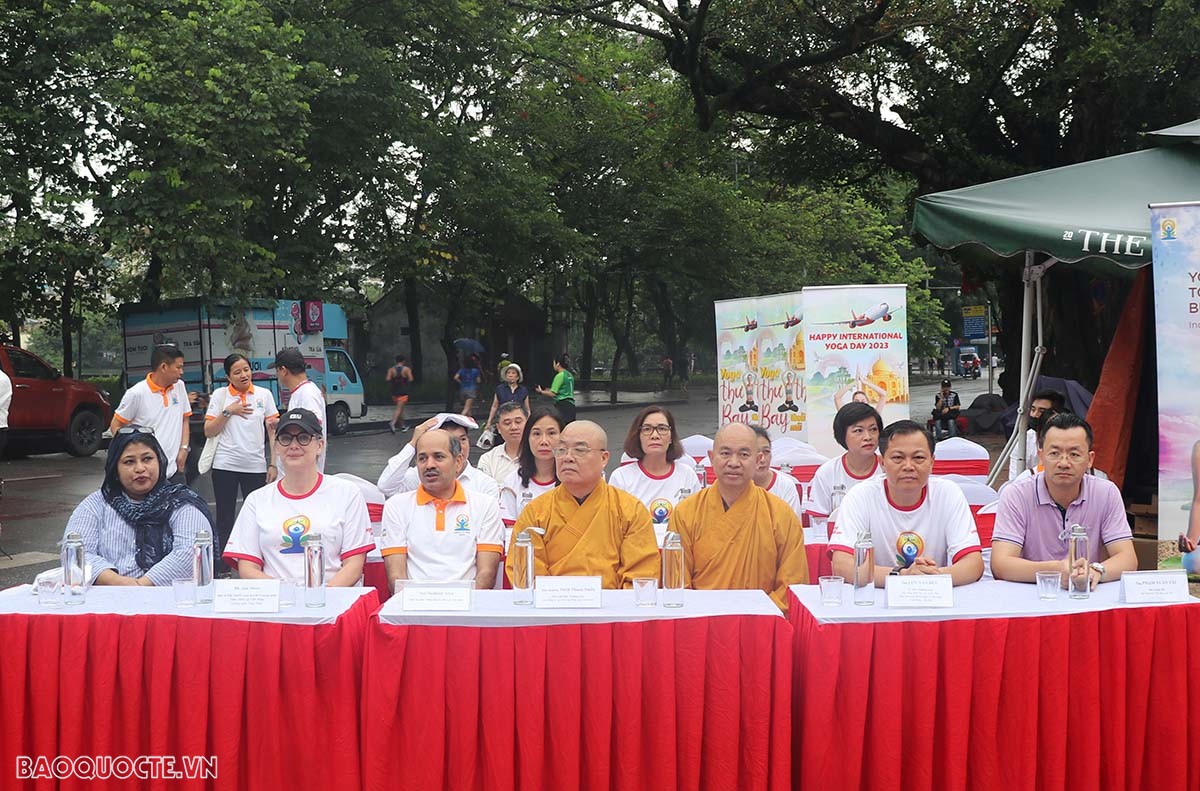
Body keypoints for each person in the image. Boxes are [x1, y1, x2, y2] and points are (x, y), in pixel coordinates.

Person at [223, 409, 373, 583]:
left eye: (303, 438)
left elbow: (354, 565)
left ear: (320, 445)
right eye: (286, 439)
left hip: (332, 601)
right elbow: (248, 567)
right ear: (277, 447)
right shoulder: (256, 500)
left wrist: (319, 598)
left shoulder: (347, 493)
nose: (294, 446)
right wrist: (287, 597)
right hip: (277, 603)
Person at [671, 423, 809, 612]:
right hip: (702, 623)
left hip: (761, 623)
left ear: (758, 460)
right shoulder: (685, 513)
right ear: (711, 458)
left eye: (744, 454)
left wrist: (756, 617)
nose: (734, 462)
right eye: (725, 453)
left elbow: (793, 586)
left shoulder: (780, 515)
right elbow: (677, 585)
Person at [506, 420, 659, 589]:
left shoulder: (630, 511)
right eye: (561, 450)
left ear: (604, 458)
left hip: (612, 611)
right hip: (550, 609)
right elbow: (524, 573)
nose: (568, 458)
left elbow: (641, 576)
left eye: (579, 450)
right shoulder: (535, 512)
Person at [829, 420, 984, 586]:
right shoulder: (860, 496)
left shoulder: (948, 494)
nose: (908, 466)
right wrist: (902, 576)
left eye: (918, 458)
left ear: (932, 462)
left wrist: (929, 577)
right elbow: (842, 566)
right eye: (897, 458)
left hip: (934, 595)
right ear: (882, 463)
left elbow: (973, 564)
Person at [991, 413, 1137, 589]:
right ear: (1041, 456)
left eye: (1074, 454)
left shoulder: (1106, 493)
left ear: (1090, 460)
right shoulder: (1016, 494)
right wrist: (1056, 570)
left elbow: (1128, 558)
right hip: (1033, 594)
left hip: (1086, 593)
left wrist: (1094, 571)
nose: (1064, 463)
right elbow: (1000, 564)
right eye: (1054, 453)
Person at [66, 426, 212, 585]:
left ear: (160, 461)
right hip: (108, 596)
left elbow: (189, 553)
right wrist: (118, 582)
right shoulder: (95, 505)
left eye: (147, 459)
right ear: (115, 468)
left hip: (168, 598)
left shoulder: (181, 503)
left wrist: (142, 585)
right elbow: (76, 554)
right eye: (129, 462)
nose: (140, 468)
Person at [379, 428, 504, 591]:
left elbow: (486, 574)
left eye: (438, 457)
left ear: (458, 461)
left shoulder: (485, 505)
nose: (429, 465)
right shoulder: (396, 506)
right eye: (422, 458)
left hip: (468, 607)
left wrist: (462, 610)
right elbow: (396, 577)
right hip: (415, 607)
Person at [204, 353, 280, 567]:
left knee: (258, 517)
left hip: (255, 465)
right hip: (225, 465)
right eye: (237, 372)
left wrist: (273, 463)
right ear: (228, 376)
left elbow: (273, 433)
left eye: (246, 369)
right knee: (225, 516)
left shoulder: (264, 395)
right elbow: (209, 430)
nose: (244, 375)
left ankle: (257, 561)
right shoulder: (220, 396)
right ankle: (223, 565)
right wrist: (229, 411)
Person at [111, 344, 193, 482]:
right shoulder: (136, 393)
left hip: (174, 472)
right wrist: (133, 455)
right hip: (146, 477)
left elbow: (184, 419)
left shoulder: (179, 387)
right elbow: (116, 425)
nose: (181, 372)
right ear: (164, 367)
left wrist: (184, 449)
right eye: (178, 367)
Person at [608, 406, 699, 528]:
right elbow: (614, 526)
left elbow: (697, 522)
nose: (655, 435)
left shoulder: (687, 474)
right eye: (647, 429)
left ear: (671, 437)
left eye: (662, 428)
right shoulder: (621, 477)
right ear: (638, 436)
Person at [376, 413, 500, 500]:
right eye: (451, 442)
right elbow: (386, 486)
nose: (458, 447)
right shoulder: (421, 476)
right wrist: (414, 443)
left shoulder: (484, 484)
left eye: (462, 439)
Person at [807, 402, 885, 536]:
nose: (868, 437)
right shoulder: (827, 473)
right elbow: (819, 523)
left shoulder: (888, 469)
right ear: (842, 435)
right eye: (858, 431)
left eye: (873, 429)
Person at [499, 407, 563, 530]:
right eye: (536, 434)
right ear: (527, 438)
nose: (544, 441)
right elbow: (509, 531)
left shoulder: (573, 480)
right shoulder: (513, 482)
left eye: (551, 433)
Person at [273, 347, 327, 472]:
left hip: (303, 473)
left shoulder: (307, 394)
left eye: (277, 370)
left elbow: (313, 429)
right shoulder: (303, 391)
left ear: (283, 370)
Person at [748, 426, 804, 520]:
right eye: (755, 452)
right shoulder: (730, 485)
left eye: (766, 452)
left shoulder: (786, 485)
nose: (762, 459)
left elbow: (792, 528)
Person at [1007, 388, 1064, 480]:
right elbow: (1015, 479)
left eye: (1041, 411)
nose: (1034, 415)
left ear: (1055, 414)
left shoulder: (1070, 437)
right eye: (1033, 409)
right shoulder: (1025, 440)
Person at [478, 401, 527, 485]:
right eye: (507, 423)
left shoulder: (539, 456)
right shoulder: (488, 459)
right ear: (498, 428)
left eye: (518, 422)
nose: (514, 427)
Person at [483, 363, 530, 433]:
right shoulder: (500, 389)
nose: (510, 375)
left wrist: (529, 423)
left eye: (513, 373)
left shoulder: (523, 390)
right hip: (503, 419)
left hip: (518, 420)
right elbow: (494, 406)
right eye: (508, 373)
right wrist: (489, 422)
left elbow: (527, 409)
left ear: (518, 377)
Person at [536, 355, 576, 423]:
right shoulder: (569, 375)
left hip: (562, 405)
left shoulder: (559, 376)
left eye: (554, 363)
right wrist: (547, 389)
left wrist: (541, 392)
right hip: (571, 405)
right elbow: (561, 389)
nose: (553, 365)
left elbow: (553, 393)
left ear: (558, 364)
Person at [386, 355, 414, 433]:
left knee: (400, 409)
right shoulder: (406, 369)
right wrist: (405, 382)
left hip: (394, 391)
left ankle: (402, 426)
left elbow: (388, 379)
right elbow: (411, 379)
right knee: (399, 409)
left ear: (396, 361)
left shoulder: (391, 369)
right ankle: (393, 423)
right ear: (403, 361)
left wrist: (394, 381)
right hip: (403, 391)